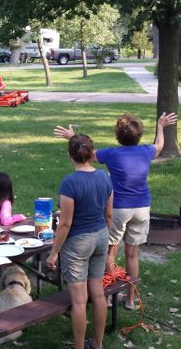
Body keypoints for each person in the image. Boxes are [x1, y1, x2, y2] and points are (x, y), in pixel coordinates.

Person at [54, 111, 178, 310]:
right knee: (132, 255)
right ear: (139, 135)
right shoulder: (146, 151)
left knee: (110, 252)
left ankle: (109, 296)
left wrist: (72, 137)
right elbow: (160, 145)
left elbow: (87, 154)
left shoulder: (111, 154)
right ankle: (130, 299)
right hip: (142, 208)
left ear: (117, 135)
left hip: (119, 209)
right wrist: (161, 126)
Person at [46, 134, 114, 349]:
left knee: (78, 300)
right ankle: (98, 343)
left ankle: (79, 347)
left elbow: (65, 224)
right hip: (101, 236)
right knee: (98, 293)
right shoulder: (105, 177)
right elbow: (109, 214)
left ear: (70, 155)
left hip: (77, 243)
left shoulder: (69, 183)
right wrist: (106, 236)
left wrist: (54, 252)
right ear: (92, 153)